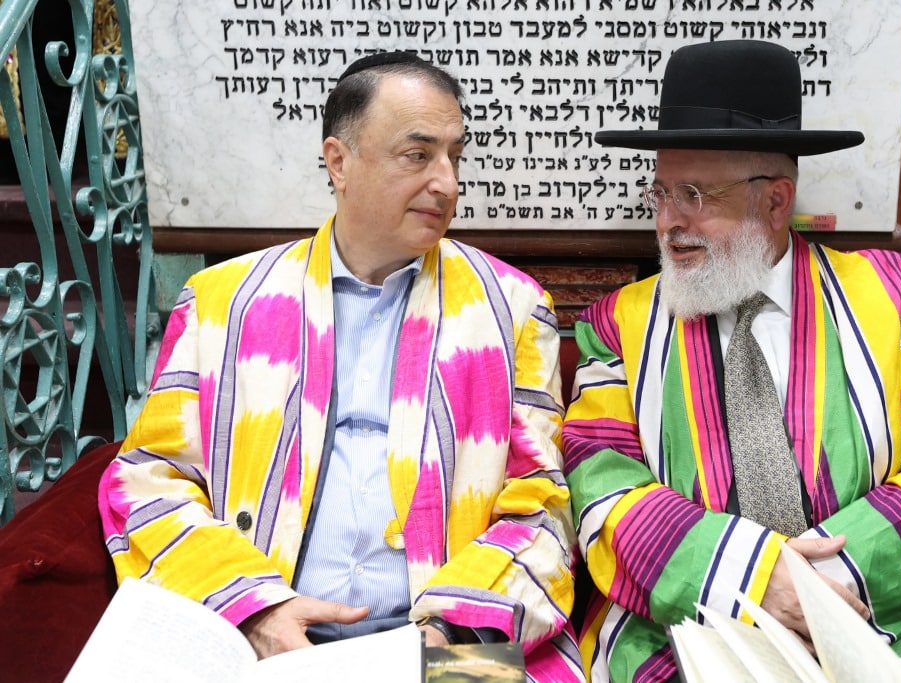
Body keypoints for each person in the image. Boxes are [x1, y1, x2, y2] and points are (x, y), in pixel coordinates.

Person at [98, 51, 584, 680]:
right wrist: (257, 610)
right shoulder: (224, 303)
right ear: (339, 162)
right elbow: (146, 480)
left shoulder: (511, 309)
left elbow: (542, 506)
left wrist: (445, 633)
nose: (447, 182)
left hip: (445, 637)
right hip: (257, 632)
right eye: (418, 155)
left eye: (454, 156)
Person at [563, 40, 901, 682]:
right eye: (661, 193)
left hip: (886, 603)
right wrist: (752, 578)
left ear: (777, 202)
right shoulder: (615, 326)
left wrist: (821, 588)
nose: (668, 222)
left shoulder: (890, 293)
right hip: (686, 616)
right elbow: (604, 490)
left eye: (694, 194)